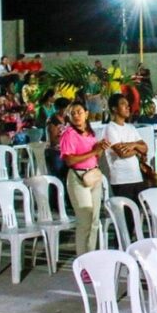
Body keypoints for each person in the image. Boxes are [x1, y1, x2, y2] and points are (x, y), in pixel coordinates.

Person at [59, 101, 110, 256]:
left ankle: (91, 255)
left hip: (93, 175)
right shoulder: (69, 134)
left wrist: (100, 148)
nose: (76, 115)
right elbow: (69, 160)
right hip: (78, 177)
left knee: (94, 221)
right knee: (84, 221)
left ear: (86, 113)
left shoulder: (91, 133)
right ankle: (82, 259)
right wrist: (93, 152)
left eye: (79, 112)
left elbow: (96, 156)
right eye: (72, 113)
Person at [103, 94, 149, 205]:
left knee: (138, 213)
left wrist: (133, 145)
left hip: (136, 177)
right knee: (127, 216)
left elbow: (145, 148)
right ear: (114, 108)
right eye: (123, 104)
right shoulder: (110, 128)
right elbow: (122, 153)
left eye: (128, 105)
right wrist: (137, 148)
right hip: (121, 179)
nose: (128, 107)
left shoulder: (131, 128)